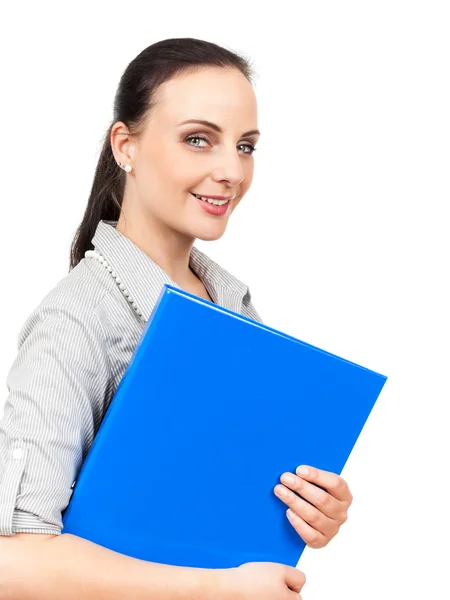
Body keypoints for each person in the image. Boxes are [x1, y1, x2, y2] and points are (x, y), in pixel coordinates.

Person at [0, 37, 353, 599]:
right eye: (198, 140)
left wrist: (310, 508)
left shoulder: (232, 306)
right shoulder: (76, 319)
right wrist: (215, 589)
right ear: (126, 146)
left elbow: (217, 496)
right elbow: (14, 566)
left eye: (245, 146)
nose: (231, 171)